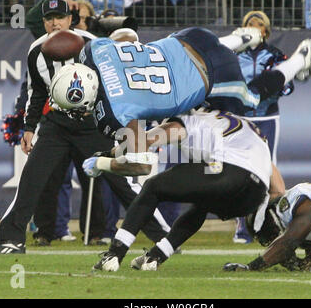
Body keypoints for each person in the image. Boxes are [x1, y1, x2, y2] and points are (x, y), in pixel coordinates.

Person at [0, 0, 169, 254]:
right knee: (31, 179)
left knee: (122, 181)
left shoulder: (94, 44)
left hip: (92, 124)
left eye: (59, 17)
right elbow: (37, 94)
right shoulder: (36, 51)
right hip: (56, 123)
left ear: (71, 19)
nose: (54, 23)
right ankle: (10, 239)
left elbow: (116, 84)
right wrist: (29, 127)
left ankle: (163, 236)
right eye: (49, 19)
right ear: (43, 23)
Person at [51, 26, 311, 160]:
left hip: (217, 77)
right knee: (187, 48)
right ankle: (241, 40)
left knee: (253, 100)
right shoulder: (94, 50)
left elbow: (141, 157)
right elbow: (128, 36)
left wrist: (110, 160)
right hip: (192, 37)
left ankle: (298, 60)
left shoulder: (112, 114)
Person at [89, 105, 286, 272]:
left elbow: (146, 141)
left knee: (153, 186)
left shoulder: (191, 119)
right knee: (202, 205)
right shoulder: (244, 128)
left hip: (228, 172)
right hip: (255, 194)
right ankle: (155, 257)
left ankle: (115, 253)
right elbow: (278, 187)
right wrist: (262, 210)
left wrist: (108, 154)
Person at [232, 11, 294, 244]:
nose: (254, 27)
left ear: (266, 30)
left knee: (267, 172)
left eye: (259, 25)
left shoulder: (275, 55)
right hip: (241, 117)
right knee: (240, 171)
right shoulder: (234, 54)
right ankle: (241, 225)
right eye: (250, 24)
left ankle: (267, 225)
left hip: (267, 118)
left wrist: (270, 90)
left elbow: (288, 85)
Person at [223, 183, 311, 272]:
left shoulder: (297, 202)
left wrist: (251, 268)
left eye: (267, 237)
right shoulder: (308, 220)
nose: (270, 242)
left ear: (269, 221)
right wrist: (295, 263)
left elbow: (287, 243)